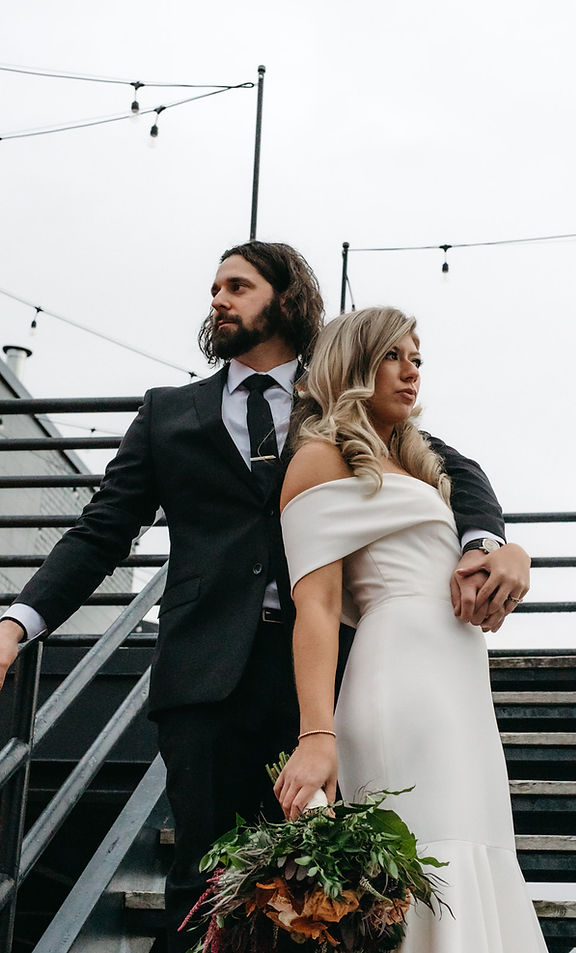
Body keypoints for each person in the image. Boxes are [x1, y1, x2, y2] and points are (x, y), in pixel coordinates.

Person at [0, 245, 527, 952]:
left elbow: (456, 470)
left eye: (238, 286)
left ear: (286, 299)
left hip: (330, 678)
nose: (218, 299)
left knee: (328, 897)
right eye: (215, 287)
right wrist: (17, 622)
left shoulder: (340, 395)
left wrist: (489, 543)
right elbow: (101, 533)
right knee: (204, 886)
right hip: (205, 680)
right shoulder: (167, 414)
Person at [274, 307, 544, 952]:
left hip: (460, 687)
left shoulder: (419, 464)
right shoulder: (319, 458)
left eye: (417, 359)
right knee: (427, 852)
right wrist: (316, 735)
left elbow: (469, 528)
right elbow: (316, 607)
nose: (410, 371)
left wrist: (506, 550)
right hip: (399, 680)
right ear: (354, 364)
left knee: (472, 848)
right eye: (392, 356)